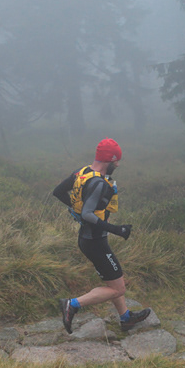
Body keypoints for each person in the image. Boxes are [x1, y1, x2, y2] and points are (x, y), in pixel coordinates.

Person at [53, 138, 152, 334]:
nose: (118, 165)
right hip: (95, 242)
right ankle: (72, 305)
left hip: (88, 239)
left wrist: (75, 208)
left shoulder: (82, 172)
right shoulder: (99, 183)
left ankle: (126, 318)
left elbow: (58, 192)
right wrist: (117, 230)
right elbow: (88, 214)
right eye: (116, 161)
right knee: (118, 288)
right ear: (109, 160)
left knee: (113, 280)